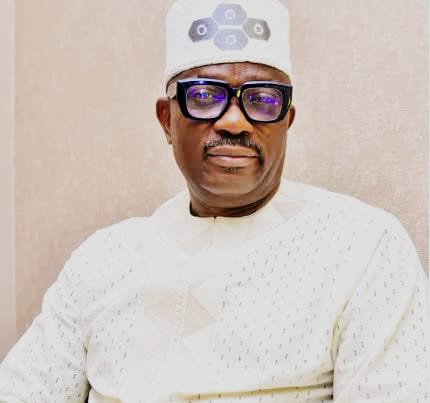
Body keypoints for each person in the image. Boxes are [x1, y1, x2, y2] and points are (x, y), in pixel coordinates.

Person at [0, 0, 428, 401]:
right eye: (205, 96)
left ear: (287, 120)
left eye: (263, 100)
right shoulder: (101, 261)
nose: (235, 121)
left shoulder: (364, 249)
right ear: (167, 120)